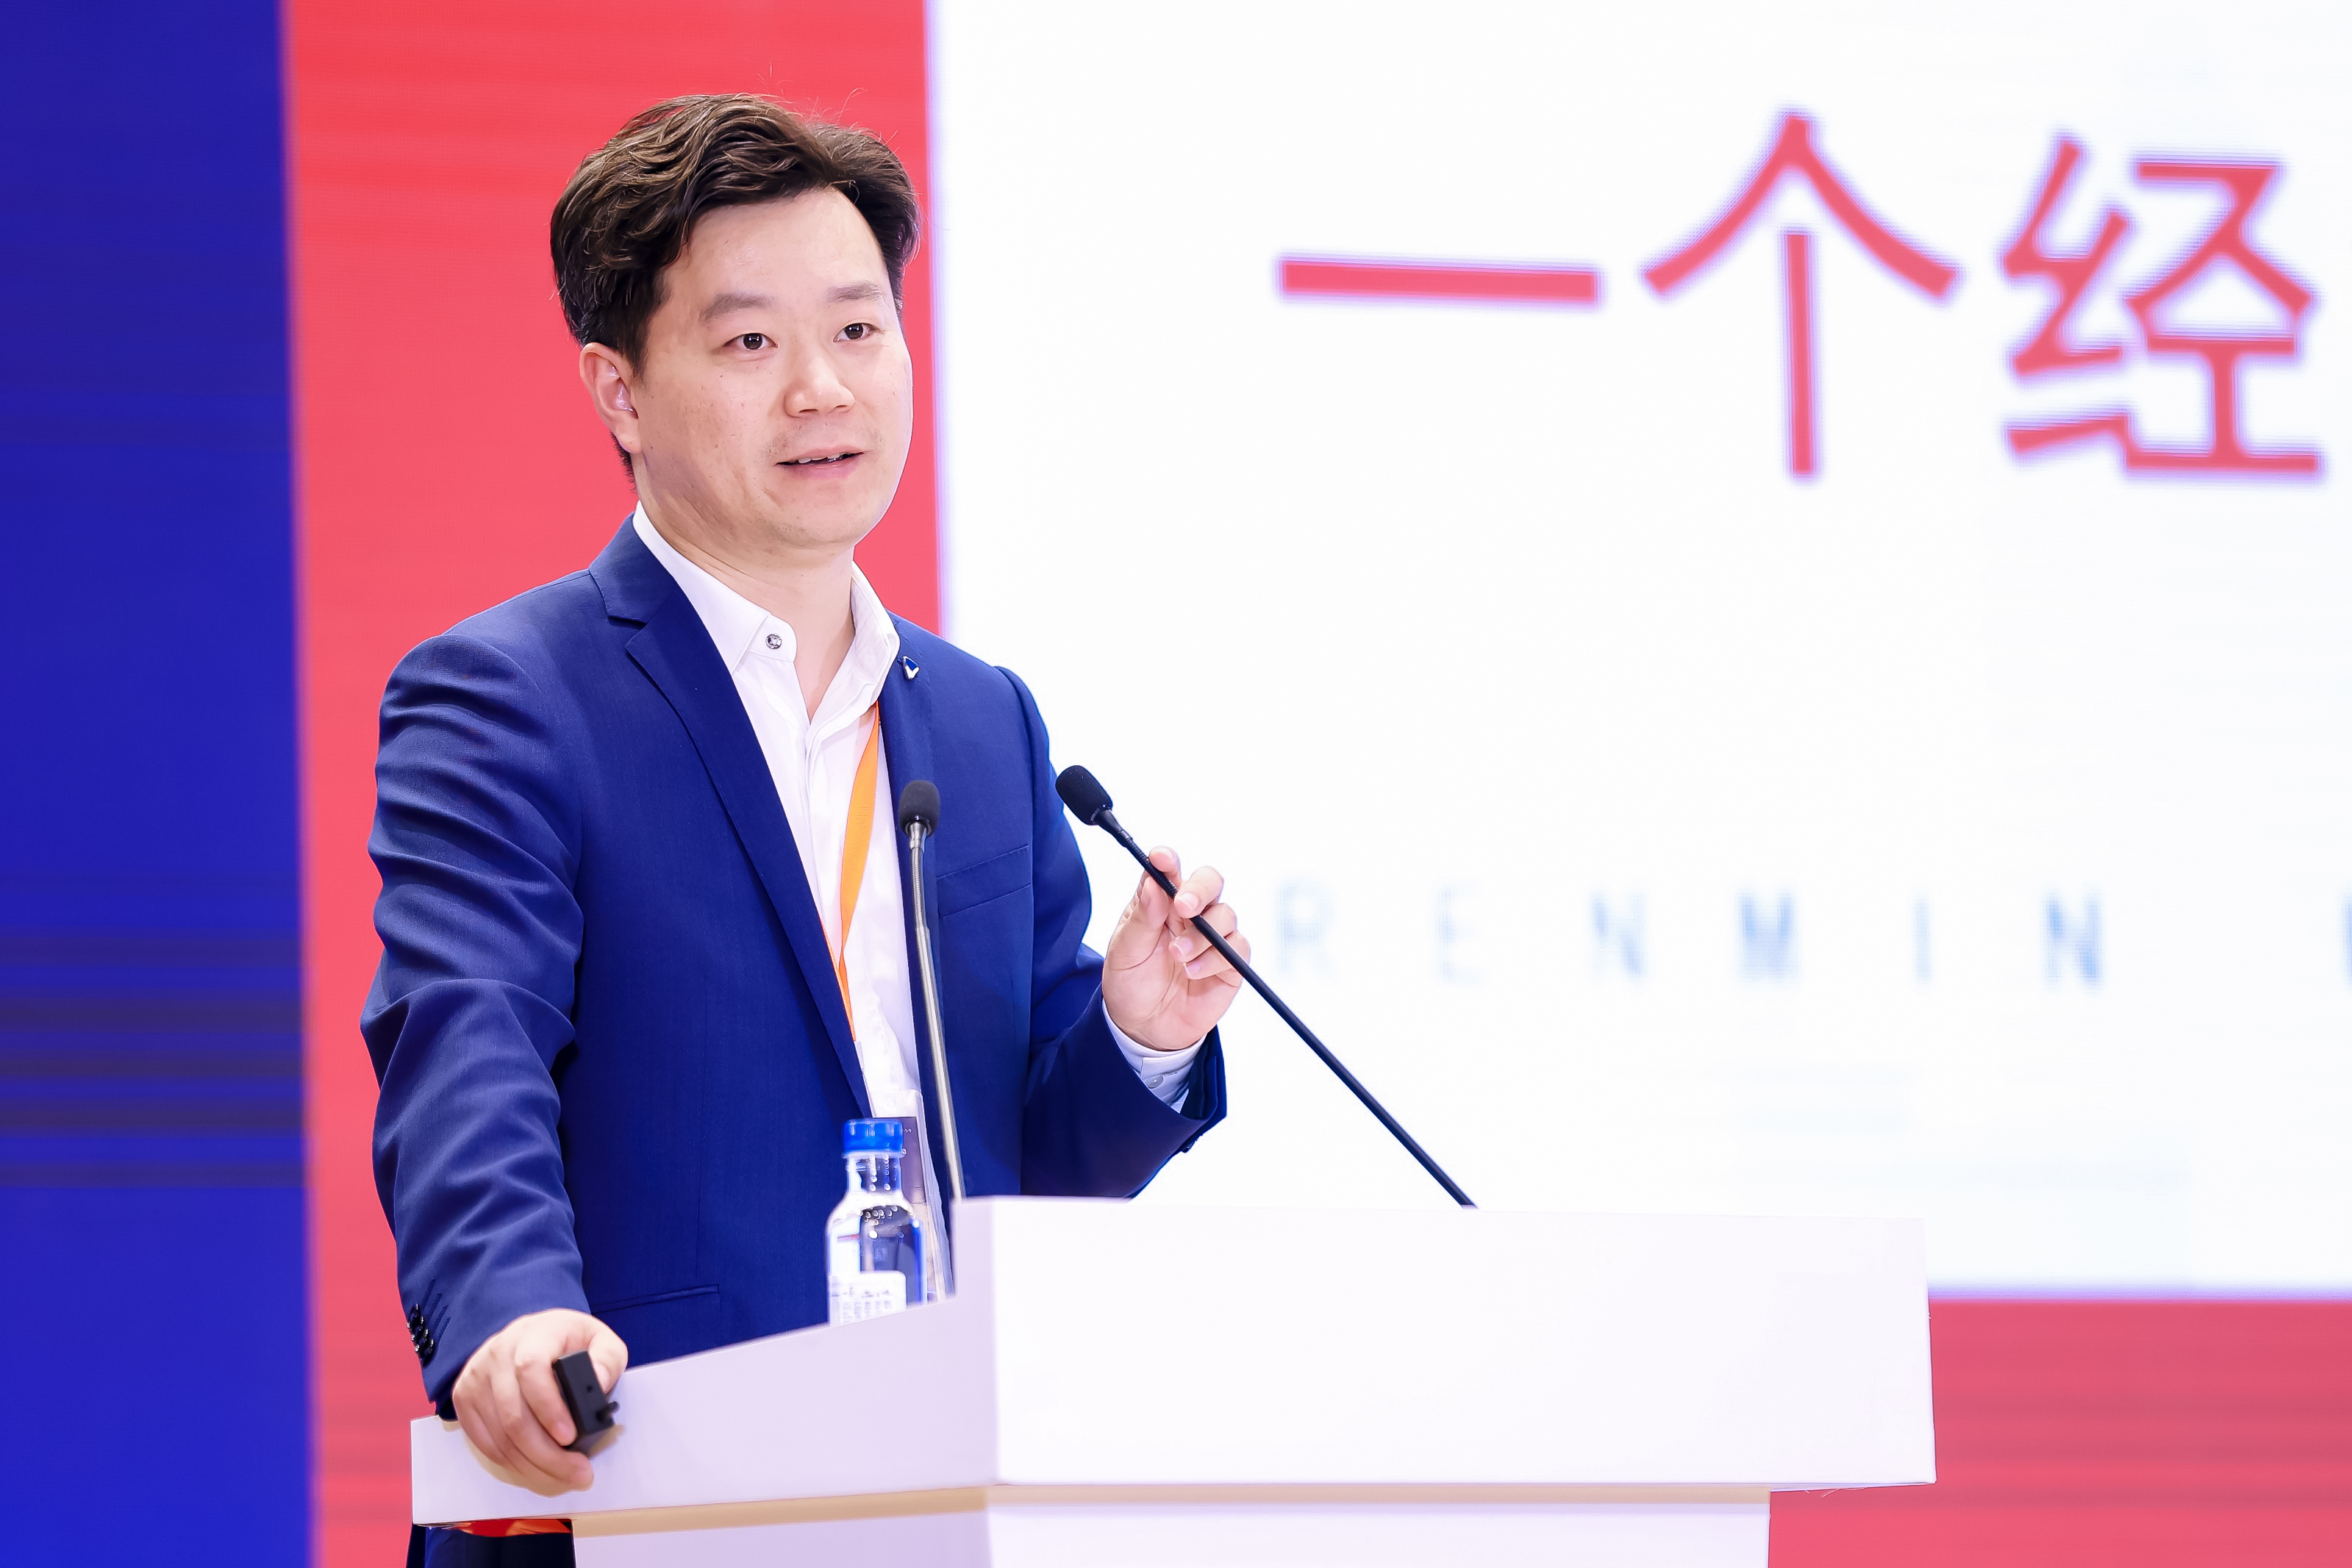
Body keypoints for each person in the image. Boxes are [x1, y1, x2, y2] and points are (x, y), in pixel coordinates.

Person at [365, 94, 1248, 1567]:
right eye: (750, 344)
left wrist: (1137, 1032)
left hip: (945, 1505)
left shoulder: (982, 719)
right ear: (619, 390)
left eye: (856, 328)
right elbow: (466, 1041)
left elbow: (1027, 1163)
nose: (823, 389)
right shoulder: (512, 694)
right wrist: (511, 1315)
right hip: (649, 1491)